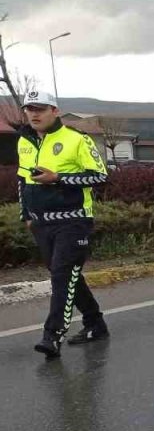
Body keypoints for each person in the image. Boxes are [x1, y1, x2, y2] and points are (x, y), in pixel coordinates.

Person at [16, 91, 110, 359]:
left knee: (61, 275)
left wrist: (59, 178)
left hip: (74, 220)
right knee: (68, 276)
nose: (34, 114)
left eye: (40, 108)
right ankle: (95, 323)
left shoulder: (76, 139)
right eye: (29, 109)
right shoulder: (24, 140)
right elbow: (23, 179)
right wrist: (26, 214)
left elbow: (100, 177)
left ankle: (53, 335)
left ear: (54, 111)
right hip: (41, 223)